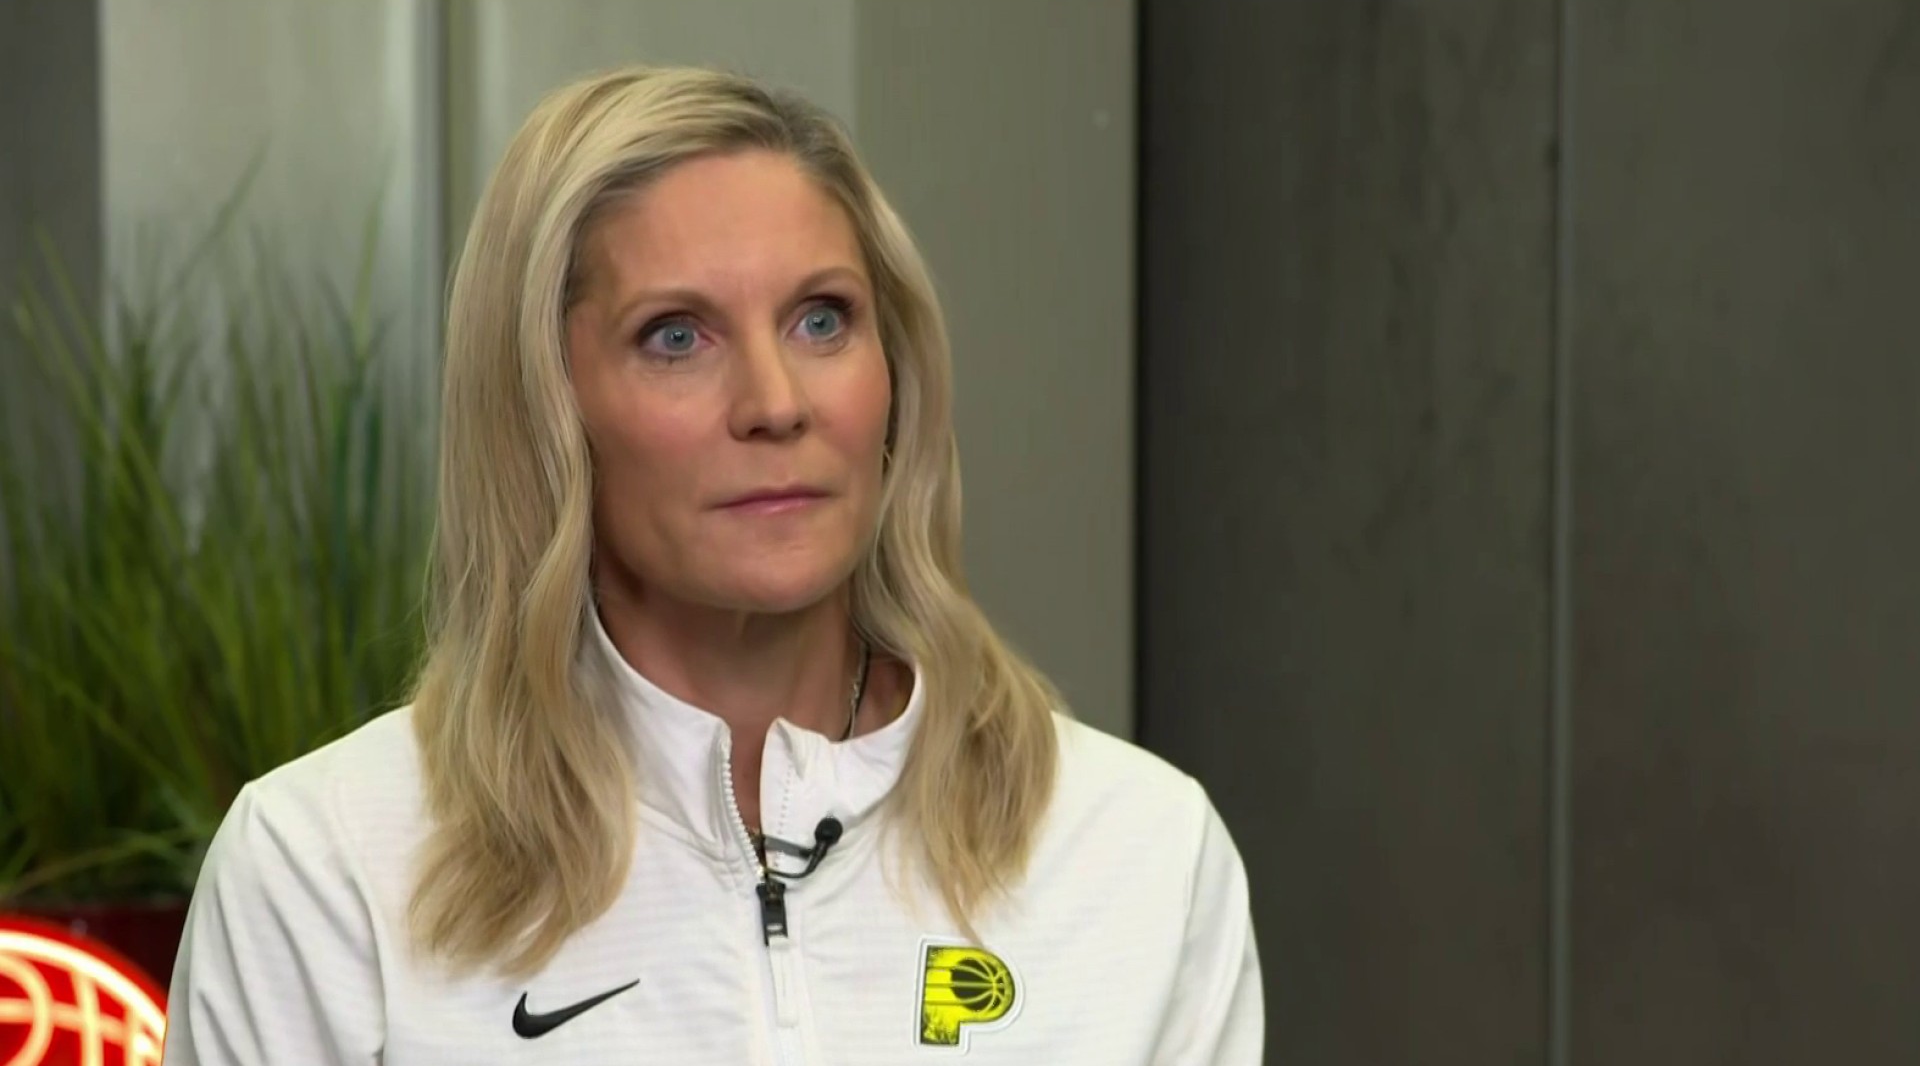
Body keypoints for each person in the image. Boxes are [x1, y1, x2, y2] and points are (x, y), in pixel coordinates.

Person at [160, 63, 1263, 1065]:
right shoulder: (328, 870)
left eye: (822, 321)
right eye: (676, 337)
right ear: (545, 408)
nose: (776, 404)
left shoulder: (1136, 851)